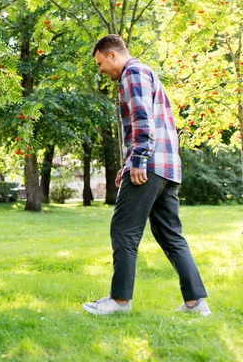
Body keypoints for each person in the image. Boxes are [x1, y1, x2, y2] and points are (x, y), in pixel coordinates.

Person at [83, 34, 210, 315]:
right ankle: (195, 303)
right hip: (167, 167)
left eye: (100, 63)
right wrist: (127, 163)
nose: (101, 70)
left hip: (149, 165)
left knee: (124, 231)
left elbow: (143, 120)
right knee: (171, 236)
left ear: (112, 55)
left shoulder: (133, 73)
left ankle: (119, 302)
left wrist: (138, 161)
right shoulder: (146, 73)